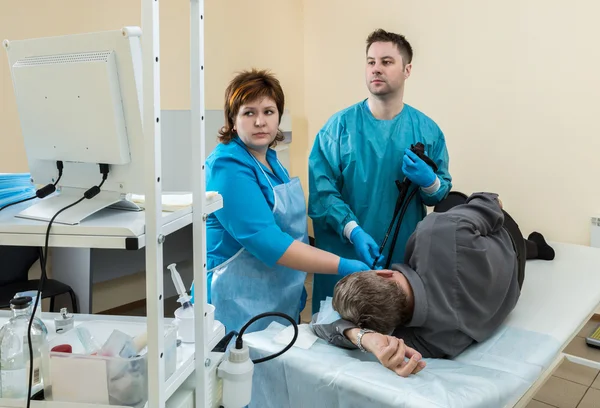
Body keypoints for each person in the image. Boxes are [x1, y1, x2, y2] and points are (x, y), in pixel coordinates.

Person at [200, 69, 370, 334]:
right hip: (233, 303)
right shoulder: (227, 165)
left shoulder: (271, 160)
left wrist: (293, 286)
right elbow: (268, 241)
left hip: (272, 297)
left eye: (268, 112)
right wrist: (342, 265)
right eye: (249, 113)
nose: (260, 121)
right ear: (233, 120)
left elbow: (291, 231)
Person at [311, 192, 555, 376]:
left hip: (513, 285)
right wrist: (481, 201)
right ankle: (534, 246)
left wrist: (361, 336)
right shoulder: (436, 232)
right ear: (384, 274)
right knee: (452, 200)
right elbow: (491, 203)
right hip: (508, 244)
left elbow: (321, 327)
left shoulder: (424, 342)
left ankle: (534, 246)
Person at [308, 28, 453, 313]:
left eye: (386, 62)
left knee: (394, 336)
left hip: (401, 260)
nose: (376, 69)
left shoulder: (427, 131)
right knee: (339, 330)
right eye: (371, 61)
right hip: (344, 254)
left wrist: (430, 183)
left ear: (407, 69)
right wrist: (354, 231)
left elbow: (439, 196)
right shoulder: (337, 129)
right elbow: (322, 194)